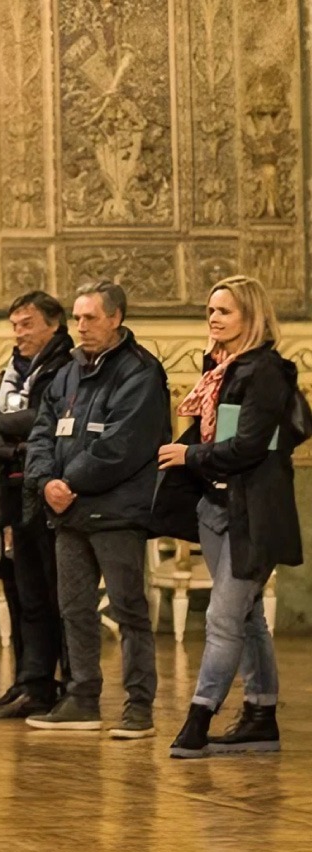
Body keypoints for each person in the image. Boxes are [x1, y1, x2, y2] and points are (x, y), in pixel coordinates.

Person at [160, 276, 302, 758]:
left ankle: (198, 718)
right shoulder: (216, 370)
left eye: (224, 311)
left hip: (254, 513)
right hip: (215, 508)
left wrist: (189, 456)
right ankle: (261, 714)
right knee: (248, 619)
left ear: (252, 316)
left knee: (222, 618)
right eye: (210, 311)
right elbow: (212, 434)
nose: (214, 319)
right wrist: (190, 455)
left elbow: (247, 446)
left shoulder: (264, 372)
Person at [24, 280, 170, 739]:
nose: (80, 326)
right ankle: (82, 699)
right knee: (75, 610)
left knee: (128, 610)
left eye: (90, 317)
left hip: (118, 512)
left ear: (116, 317)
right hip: (67, 513)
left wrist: (70, 482)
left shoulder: (141, 372)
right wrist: (45, 481)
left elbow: (124, 444)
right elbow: (42, 432)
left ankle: (139, 706)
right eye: (77, 317)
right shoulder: (67, 373)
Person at [0, 291, 74, 719]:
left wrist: (0, 428)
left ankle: (62, 685)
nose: (18, 333)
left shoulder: (65, 367)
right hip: (9, 495)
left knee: (50, 595)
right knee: (22, 592)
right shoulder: (11, 375)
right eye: (14, 325)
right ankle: (28, 680)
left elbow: (45, 421)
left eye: (26, 324)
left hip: (45, 496)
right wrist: (1, 436)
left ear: (53, 324)